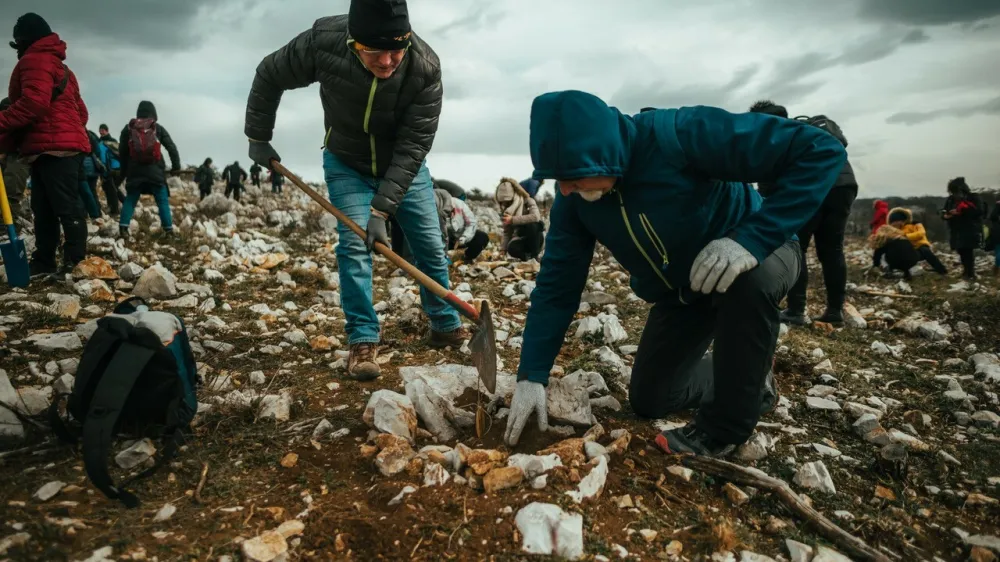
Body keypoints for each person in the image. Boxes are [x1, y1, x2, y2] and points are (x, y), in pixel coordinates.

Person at [503, 90, 847, 458]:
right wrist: (532, 375)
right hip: (687, 290)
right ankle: (751, 377)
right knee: (651, 399)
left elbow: (821, 150)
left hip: (761, 252)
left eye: (574, 176)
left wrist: (751, 240)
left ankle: (723, 429)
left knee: (750, 282)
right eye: (559, 178)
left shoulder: (678, 134)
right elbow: (557, 287)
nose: (566, 188)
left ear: (605, 153)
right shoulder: (575, 203)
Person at [244, 0, 464, 381]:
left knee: (429, 243)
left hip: (404, 167)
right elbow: (269, 74)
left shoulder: (425, 66)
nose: (388, 61)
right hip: (346, 162)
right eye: (375, 52)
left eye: (397, 49)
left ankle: (445, 324)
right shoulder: (323, 43)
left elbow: (414, 145)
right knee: (354, 246)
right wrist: (258, 137)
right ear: (352, 42)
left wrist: (381, 210)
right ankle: (363, 340)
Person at [749, 101, 856, 327]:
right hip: (844, 184)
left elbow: (768, 184)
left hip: (815, 186)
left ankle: (796, 310)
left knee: (798, 246)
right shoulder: (807, 129)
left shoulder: (775, 134)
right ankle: (835, 312)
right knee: (833, 249)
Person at [0, 13, 91, 276]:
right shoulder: (64, 69)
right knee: (50, 207)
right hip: (61, 147)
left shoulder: (33, 61)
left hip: (52, 149)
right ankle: (48, 262)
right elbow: (81, 113)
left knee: (59, 208)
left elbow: (33, 105)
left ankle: (73, 264)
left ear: (23, 42)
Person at [117, 101, 181, 238]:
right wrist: (176, 167)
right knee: (162, 200)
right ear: (153, 113)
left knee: (130, 199)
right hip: (155, 172)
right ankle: (168, 231)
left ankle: (123, 229)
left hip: (135, 172)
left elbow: (122, 153)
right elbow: (171, 147)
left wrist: (123, 173)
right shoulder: (157, 128)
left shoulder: (128, 129)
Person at [941, 177, 984, 280]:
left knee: (968, 250)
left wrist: (962, 212)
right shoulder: (951, 199)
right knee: (960, 250)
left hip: (969, 228)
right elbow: (944, 211)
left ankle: (970, 272)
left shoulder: (973, 197)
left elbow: (979, 211)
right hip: (956, 229)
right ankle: (966, 271)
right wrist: (946, 216)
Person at [494, 178, 544, 260]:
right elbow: (507, 232)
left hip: (537, 238)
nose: (504, 204)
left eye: (507, 201)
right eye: (502, 202)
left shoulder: (528, 201)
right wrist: (503, 249)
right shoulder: (506, 209)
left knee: (532, 225)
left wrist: (512, 219)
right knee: (512, 249)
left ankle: (535, 257)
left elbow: (536, 217)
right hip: (521, 238)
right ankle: (527, 258)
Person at [888, 207, 946, 275]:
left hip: (921, 246)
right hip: (910, 249)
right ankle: (894, 271)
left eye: (895, 222)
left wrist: (906, 237)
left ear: (901, 220)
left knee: (925, 251)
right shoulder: (895, 230)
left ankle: (941, 270)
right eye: (892, 223)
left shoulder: (915, 224)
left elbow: (921, 233)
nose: (894, 224)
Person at [0, 98, 31, 220]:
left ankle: (7, 229)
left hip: (18, 157)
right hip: (10, 156)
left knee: (11, 193)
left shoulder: (20, 116)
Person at [445, 193, 489, 262]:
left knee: (481, 237)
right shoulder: (431, 208)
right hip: (444, 241)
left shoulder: (459, 204)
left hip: (461, 238)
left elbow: (471, 223)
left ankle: (467, 259)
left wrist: (463, 238)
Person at [97, 123, 122, 215]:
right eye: (100, 130)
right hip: (105, 168)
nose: (101, 131)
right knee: (107, 189)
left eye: (103, 130)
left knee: (113, 189)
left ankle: (115, 210)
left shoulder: (110, 141)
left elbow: (115, 154)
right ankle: (112, 207)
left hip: (113, 168)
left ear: (107, 131)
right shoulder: (100, 142)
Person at [79, 129, 104, 218]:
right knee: (92, 191)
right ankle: (97, 213)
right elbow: (98, 151)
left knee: (82, 192)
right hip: (93, 166)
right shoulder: (91, 135)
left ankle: (84, 214)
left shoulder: (77, 133)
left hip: (82, 166)